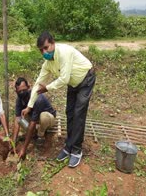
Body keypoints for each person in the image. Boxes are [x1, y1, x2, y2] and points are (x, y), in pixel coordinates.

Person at [22, 31, 96, 168]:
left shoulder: (64, 53)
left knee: (78, 114)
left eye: (46, 47)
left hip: (86, 79)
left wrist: (47, 88)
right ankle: (69, 146)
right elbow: (38, 83)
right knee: (69, 113)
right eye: (41, 50)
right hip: (73, 83)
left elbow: (64, 79)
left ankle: (77, 150)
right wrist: (30, 106)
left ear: (53, 43)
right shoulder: (47, 64)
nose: (44, 52)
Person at [12, 77, 56, 158]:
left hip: (49, 118)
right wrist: (13, 142)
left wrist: (24, 149)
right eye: (19, 91)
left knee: (44, 117)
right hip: (34, 118)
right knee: (21, 118)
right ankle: (33, 132)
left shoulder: (38, 98)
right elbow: (17, 118)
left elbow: (32, 123)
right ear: (16, 91)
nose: (22, 92)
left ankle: (40, 135)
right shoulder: (19, 99)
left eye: (24, 90)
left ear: (29, 87)